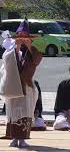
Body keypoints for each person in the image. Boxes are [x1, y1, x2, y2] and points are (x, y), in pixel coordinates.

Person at [0, 17, 42, 148]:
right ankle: (13, 137)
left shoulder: (33, 51)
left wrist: (29, 45)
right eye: (20, 35)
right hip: (13, 85)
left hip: (26, 85)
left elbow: (36, 60)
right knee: (13, 111)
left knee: (25, 111)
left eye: (25, 36)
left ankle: (23, 138)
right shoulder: (11, 50)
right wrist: (16, 46)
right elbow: (7, 62)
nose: (22, 38)